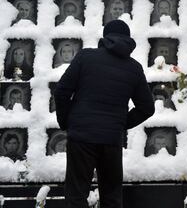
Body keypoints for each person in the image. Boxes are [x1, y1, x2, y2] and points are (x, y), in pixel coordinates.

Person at [54, 19, 155, 208]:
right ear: (128, 39)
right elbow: (147, 107)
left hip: (81, 137)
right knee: (111, 197)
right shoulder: (134, 68)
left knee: (76, 195)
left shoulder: (85, 57)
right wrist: (120, 123)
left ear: (105, 37)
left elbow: (61, 91)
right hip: (111, 140)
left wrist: (66, 121)